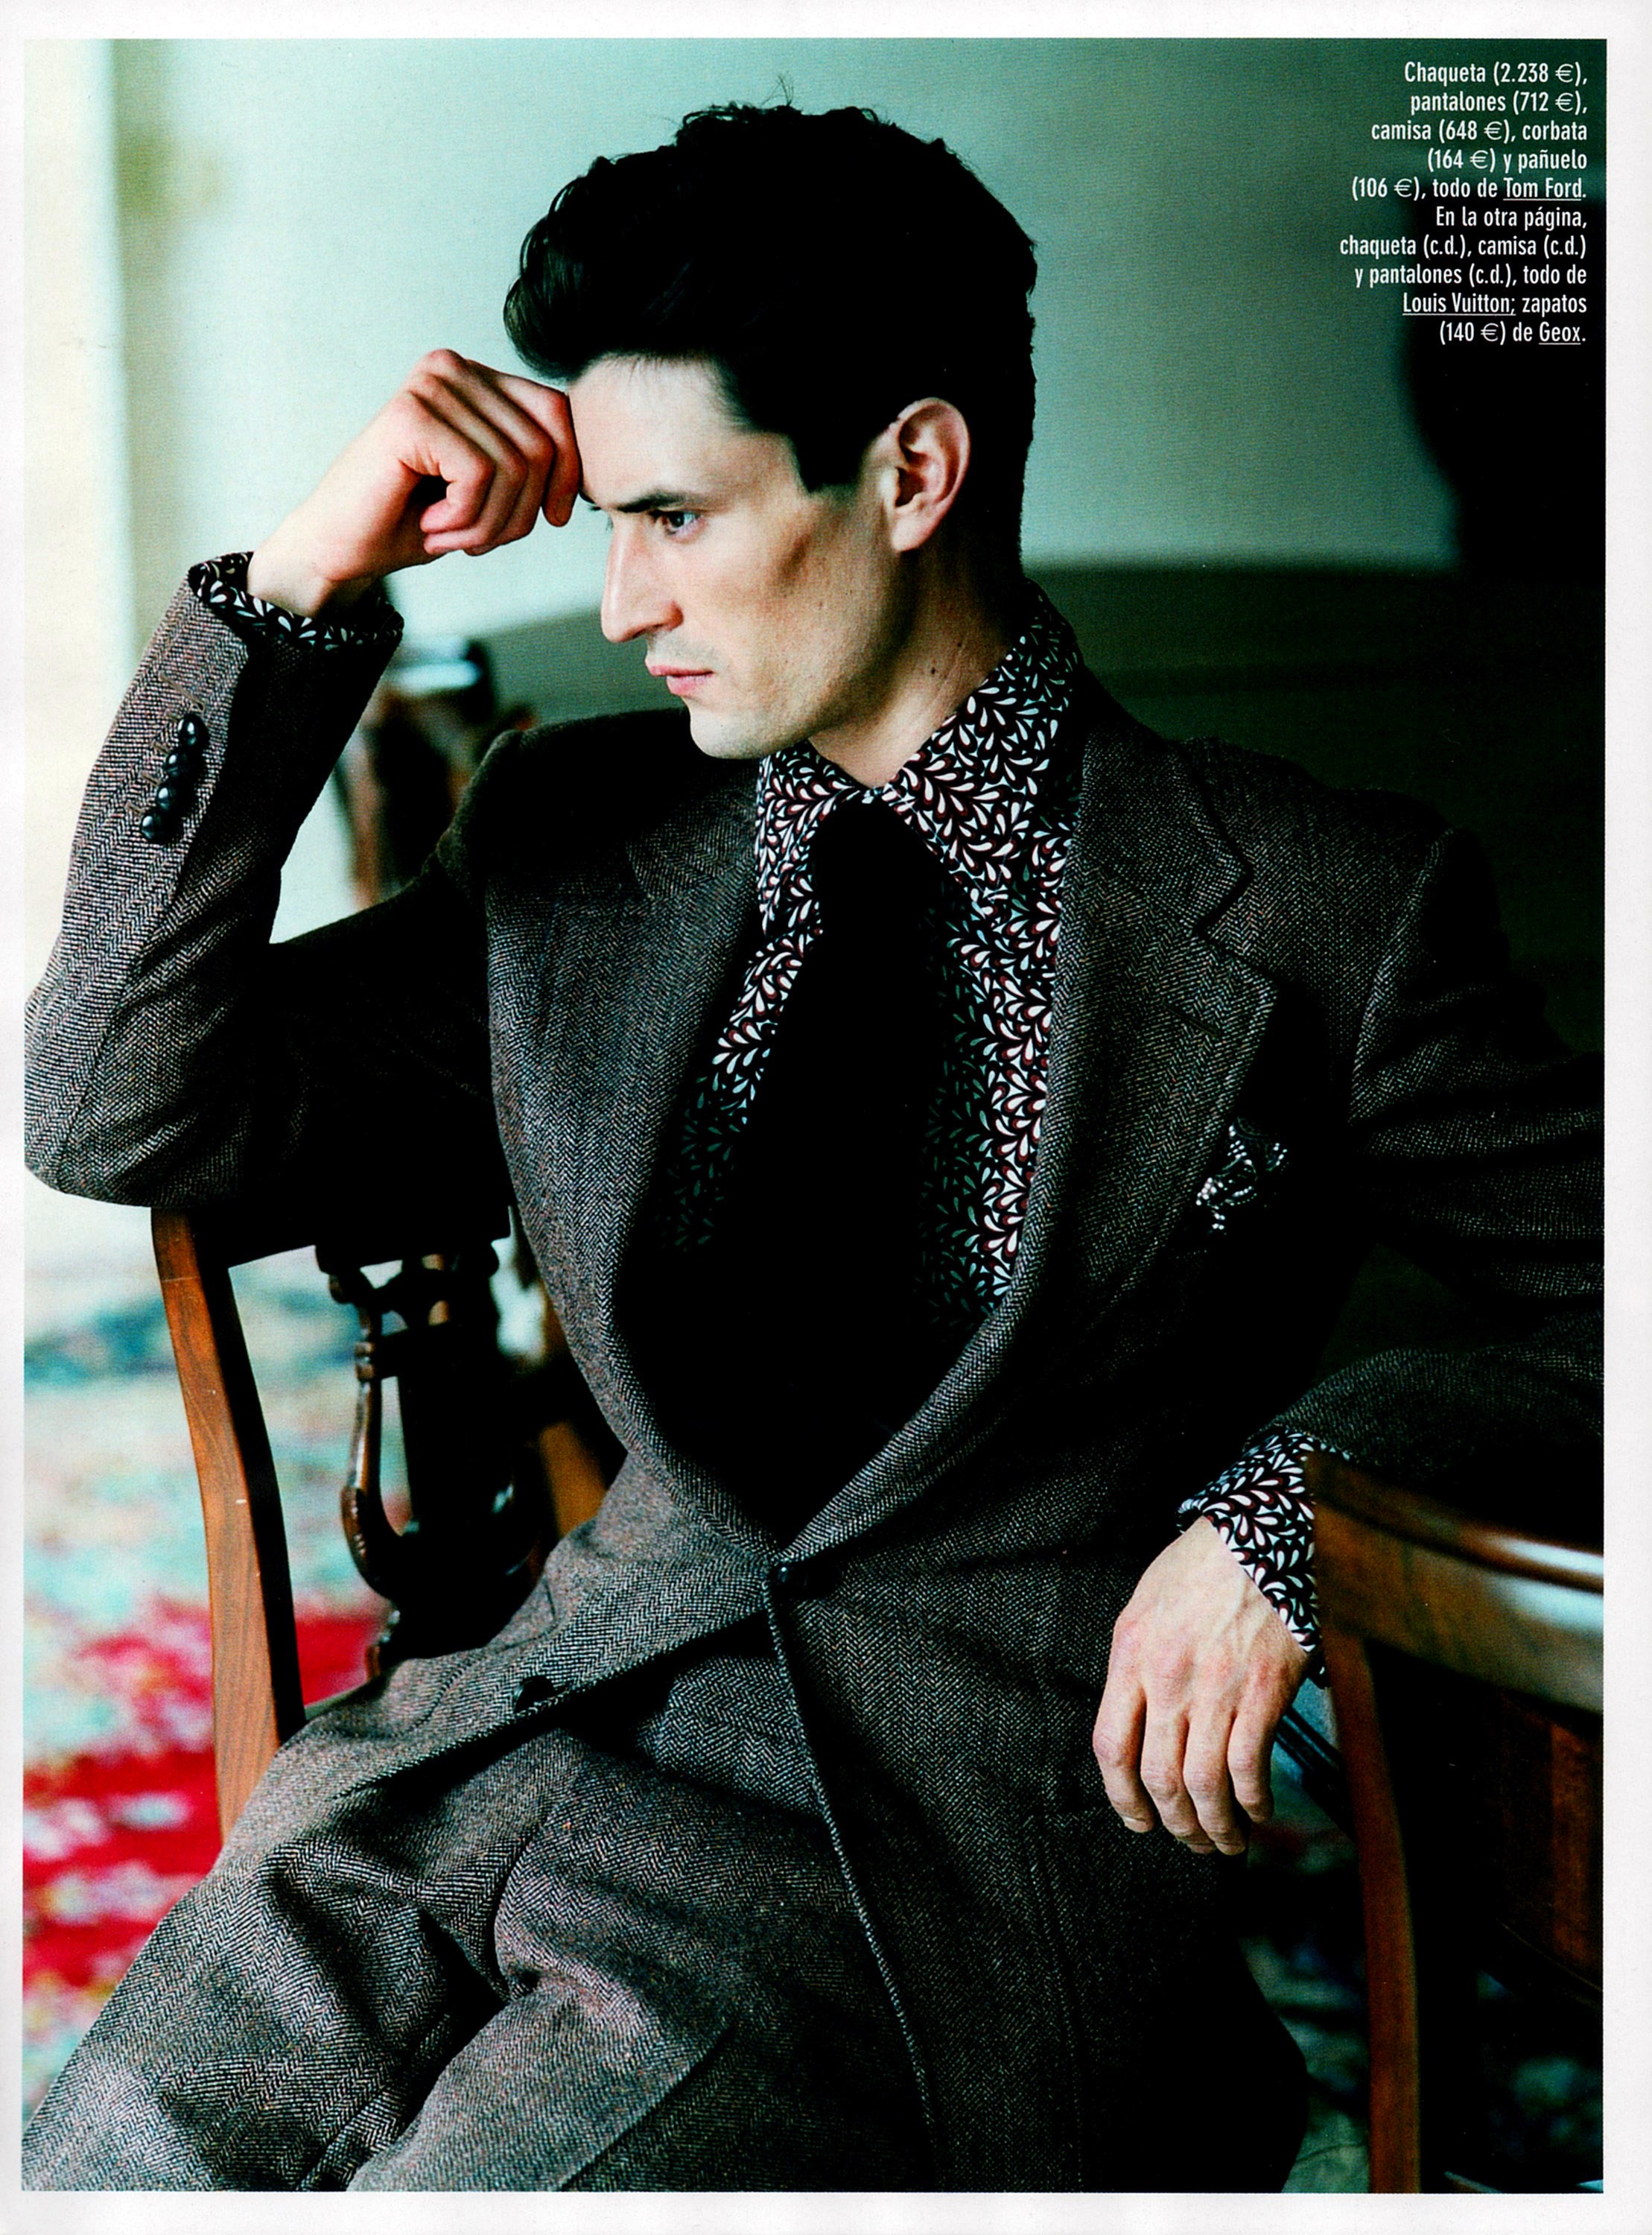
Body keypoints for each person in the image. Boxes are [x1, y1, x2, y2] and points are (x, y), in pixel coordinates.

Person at [22, 102, 1600, 2192]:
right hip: (476, 1780)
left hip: (907, 1897)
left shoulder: (1315, 908)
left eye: (676, 517)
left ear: (914, 473)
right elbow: (110, 1104)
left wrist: (1282, 1506)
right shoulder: (575, 838)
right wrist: (300, 592)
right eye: (611, 521)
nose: (624, 598)